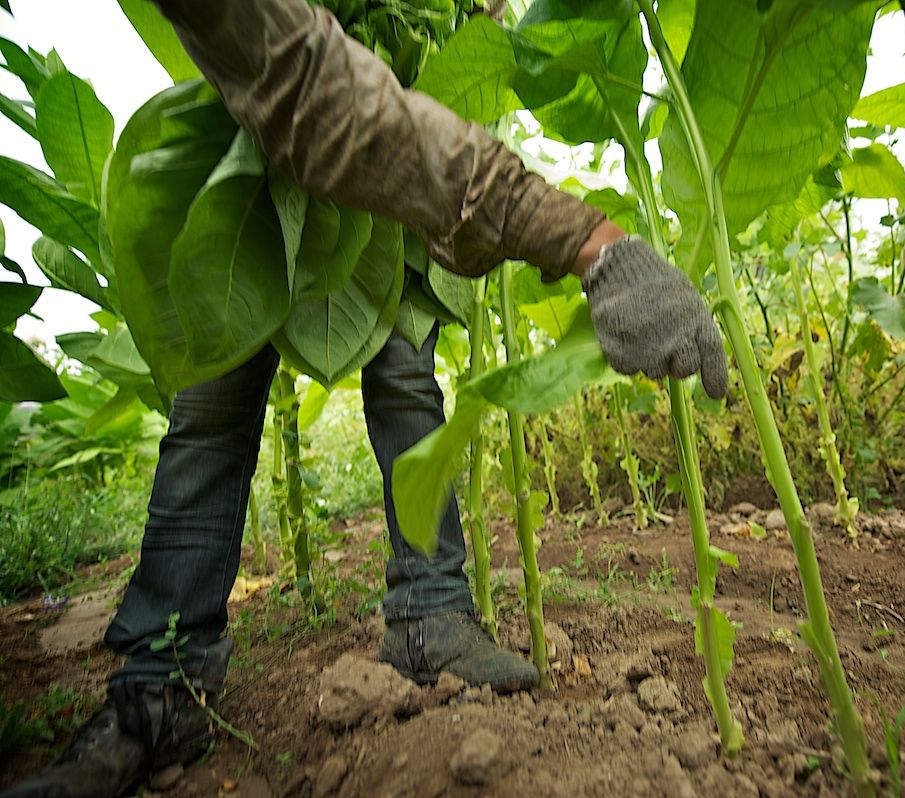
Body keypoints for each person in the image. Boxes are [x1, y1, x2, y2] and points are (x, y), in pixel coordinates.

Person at [0, 1, 727, 796]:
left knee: (407, 373)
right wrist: (583, 237)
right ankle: (158, 682)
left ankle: (431, 616)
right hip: (262, 141)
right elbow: (307, 78)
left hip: (387, 153)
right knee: (210, 403)